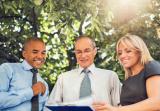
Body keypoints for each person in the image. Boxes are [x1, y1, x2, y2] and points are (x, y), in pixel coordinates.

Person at [46, 35, 121, 107]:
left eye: (87, 51)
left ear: (94, 51)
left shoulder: (110, 77)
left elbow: (120, 107)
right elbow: (51, 106)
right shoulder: (63, 78)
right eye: (79, 52)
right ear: (75, 54)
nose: (83, 55)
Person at [93, 34, 160, 111]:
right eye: (120, 53)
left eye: (128, 51)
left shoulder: (151, 66)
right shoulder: (128, 78)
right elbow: (125, 107)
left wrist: (116, 110)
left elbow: (157, 102)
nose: (122, 56)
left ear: (139, 51)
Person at [0, 37, 49, 111]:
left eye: (43, 53)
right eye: (35, 52)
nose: (40, 56)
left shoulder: (44, 84)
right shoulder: (8, 69)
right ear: (24, 54)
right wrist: (30, 92)